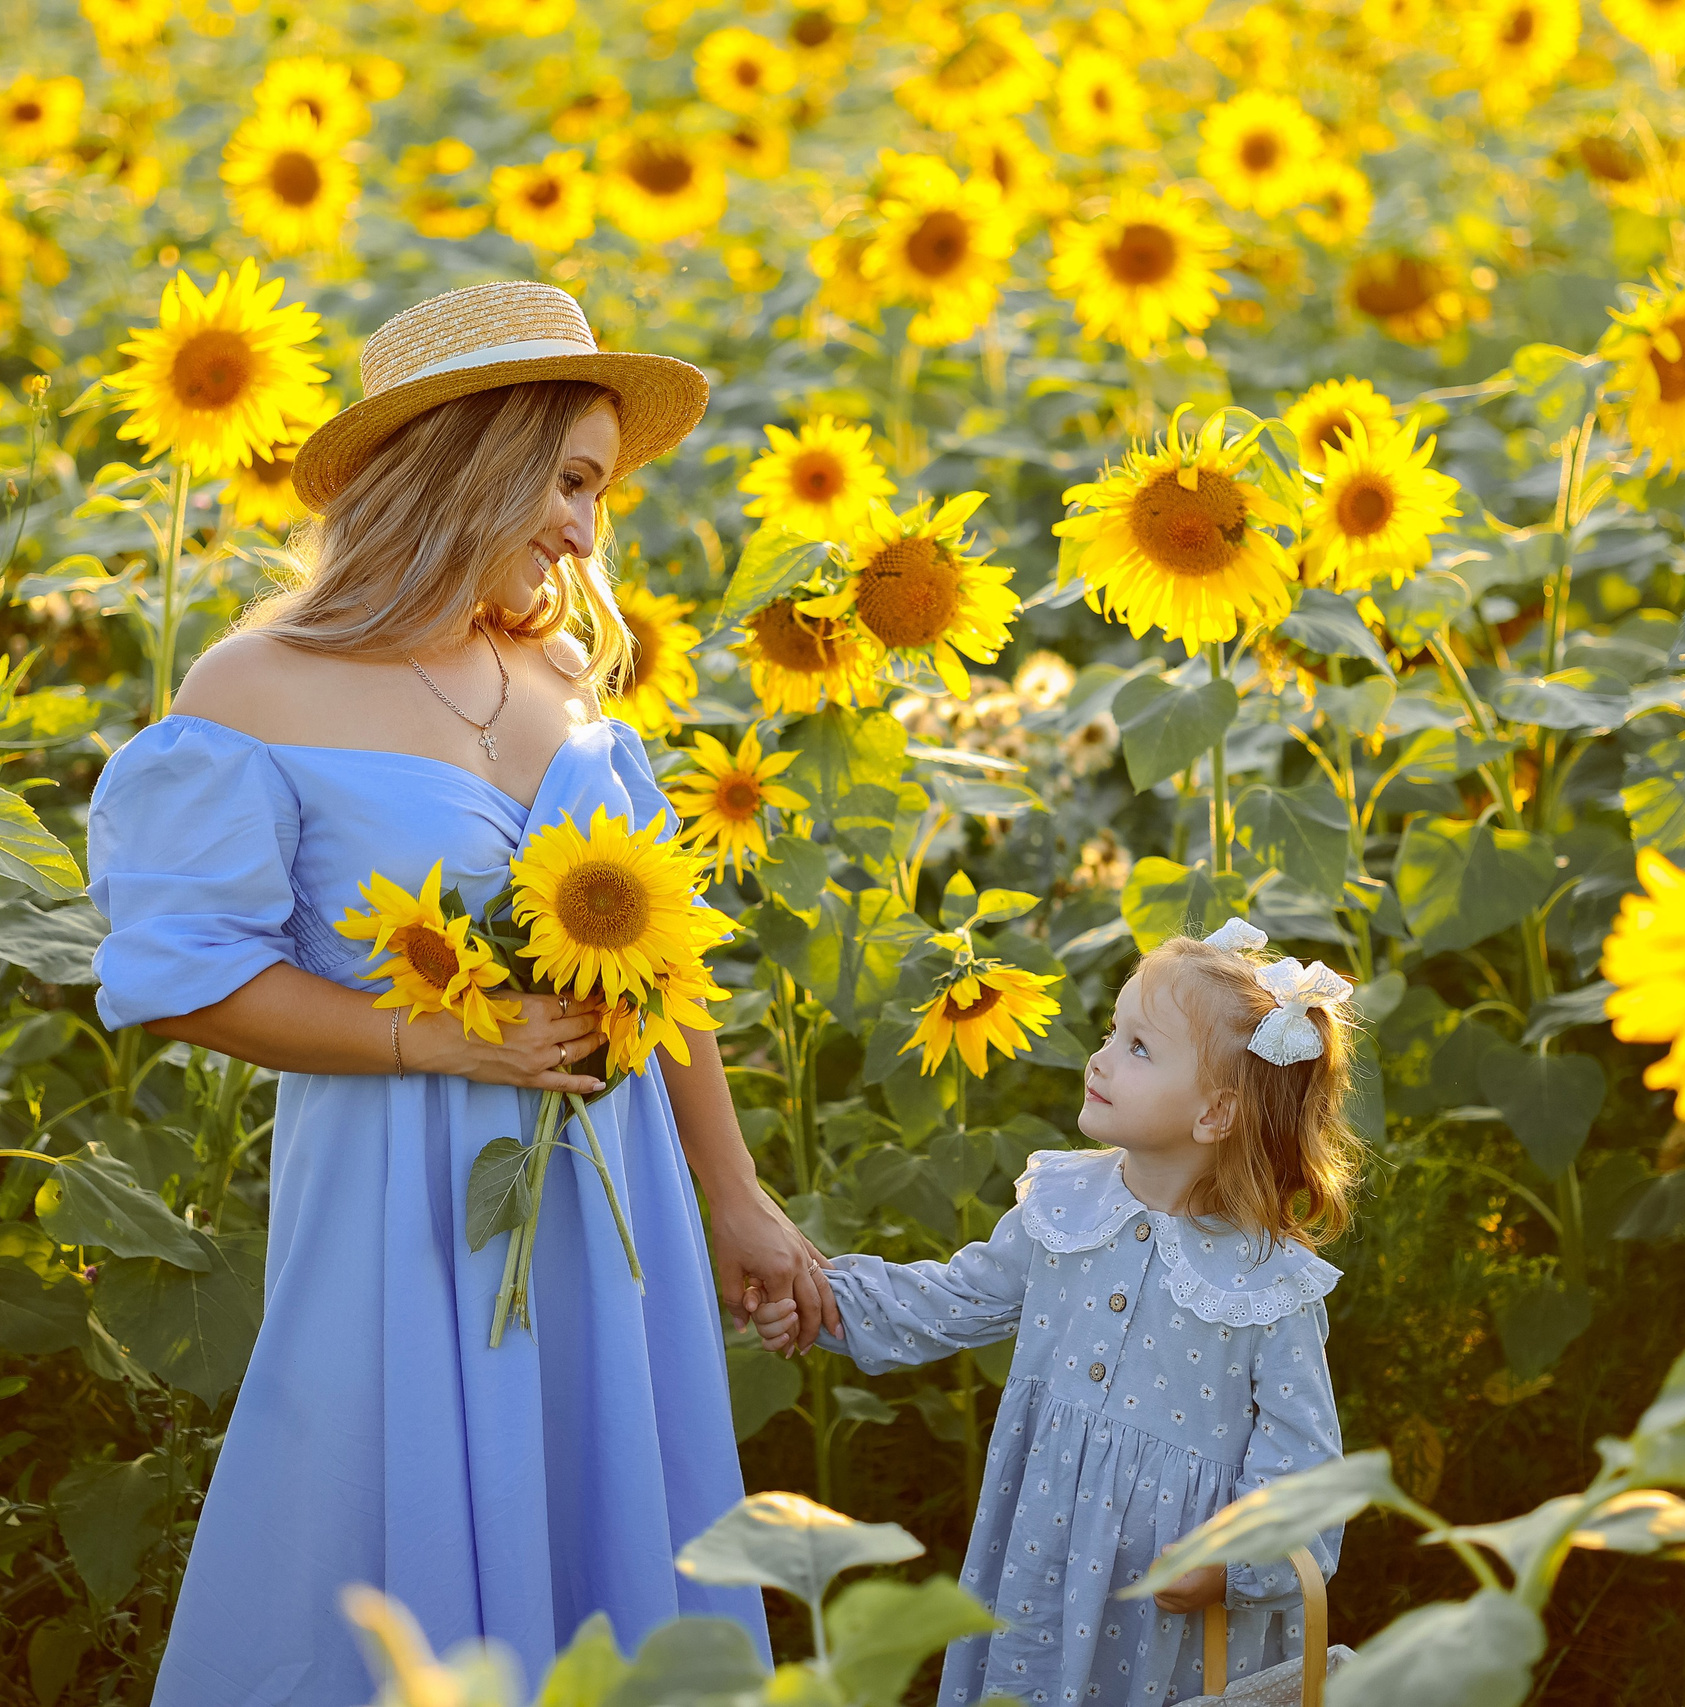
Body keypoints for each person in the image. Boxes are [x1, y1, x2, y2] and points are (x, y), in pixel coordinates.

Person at [87, 279, 839, 1707]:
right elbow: (184, 978)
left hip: (610, 1204)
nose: (586, 529)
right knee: (377, 1524)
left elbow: (661, 962)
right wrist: (436, 1033)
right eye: (567, 480)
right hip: (404, 1199)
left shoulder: (562, 680)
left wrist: (731, 1194)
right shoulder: (261, 683)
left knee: (611, 1515)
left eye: (599, 490)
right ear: (471, 458)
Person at [754, 921, 1364, 1706]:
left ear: (1215, 1111)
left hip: (1170, 1597)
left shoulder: (1265, 1284)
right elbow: (959, 1294)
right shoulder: (1065, 1205)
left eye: (1140, 1047)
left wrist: (1235, 1566)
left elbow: (1304, 1460)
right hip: (1046, 1540)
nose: (1101, 1057)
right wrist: (826, 1298)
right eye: (1113, 1030)